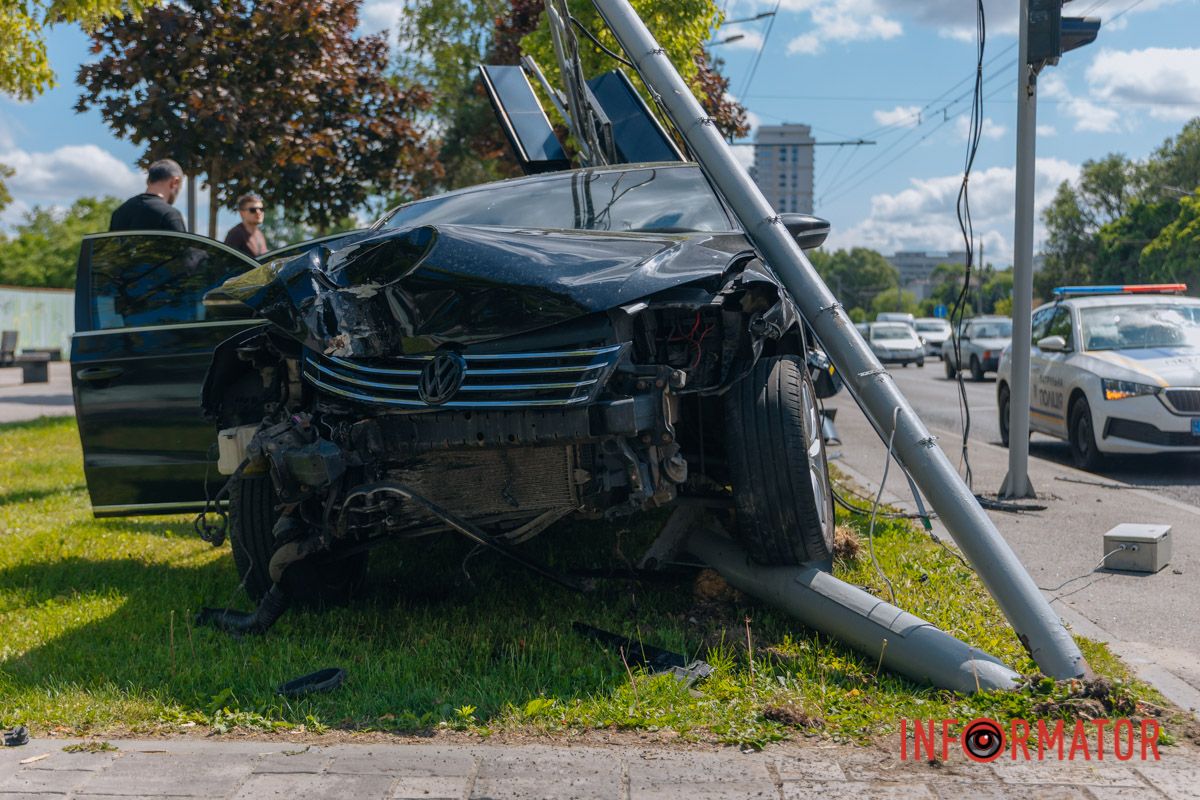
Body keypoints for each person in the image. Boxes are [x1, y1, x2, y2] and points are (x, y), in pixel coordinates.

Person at [109, 159, 187, 232]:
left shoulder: (119, 212)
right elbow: (182, 246)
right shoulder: (170, 215)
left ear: (148, 181)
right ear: (175, 182)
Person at [223, 193, 269, 257]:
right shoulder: (235, 234)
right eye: (253, 210)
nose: (258, 212)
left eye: (261, 209)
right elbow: (226, 261)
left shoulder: (260, 234)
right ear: (242, 213)